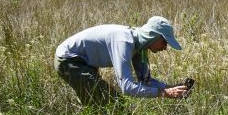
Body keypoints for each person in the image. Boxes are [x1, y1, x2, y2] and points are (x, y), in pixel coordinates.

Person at [54, 16, 188, 105]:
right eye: (164, 42)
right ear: (153, 36)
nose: (165, 47)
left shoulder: (140, 47)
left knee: (98, 106)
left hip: (84, 63)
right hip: (69, 60)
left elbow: (146, 82)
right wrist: (164, 93)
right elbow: (127, 87)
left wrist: (171, 88)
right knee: (116, 107)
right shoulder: (124, 42)